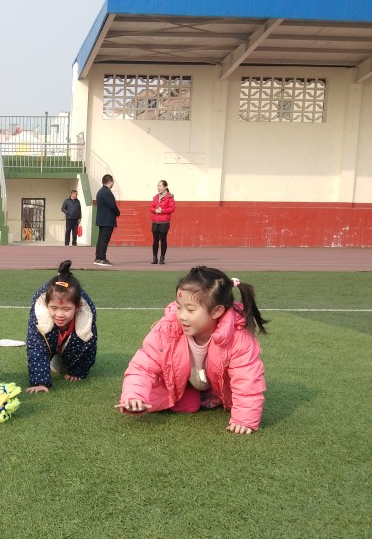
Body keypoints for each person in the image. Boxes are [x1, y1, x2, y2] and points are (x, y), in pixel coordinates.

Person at [117, 266, 268, 434]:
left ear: (217, 311)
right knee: (171, 399)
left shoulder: (237, 337)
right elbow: (143, 366)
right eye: (179, 307)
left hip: (218, 387)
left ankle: (210, 395)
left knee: (228, 389)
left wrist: (244, 420)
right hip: (184, 384)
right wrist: (135, 395)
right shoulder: (168, 329)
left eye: (190, 310)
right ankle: (191, 395)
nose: (181, 316)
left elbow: (247, 378)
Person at [25, 260, 97, 393]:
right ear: (46, 305)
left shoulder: (86, 317)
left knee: (63, 366)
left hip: (69, 343)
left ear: (77, 307)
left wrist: (78, 371)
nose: (59, 315)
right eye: (53, 308)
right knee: (49, 359)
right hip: (52, 339)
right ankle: (54, 354)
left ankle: (63, 355)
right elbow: (36, 347)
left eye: (66, 309)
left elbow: (89, 347)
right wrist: (40, 382)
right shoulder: (39, 316)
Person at [94, 174, 120, 267]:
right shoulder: (107, 192)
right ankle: (101, 258)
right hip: (107, 220)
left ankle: (98, 258)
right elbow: (112, 205)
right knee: (104, 240)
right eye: (112, 182)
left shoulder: (100, 191)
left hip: (102, 219)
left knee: (101, 239)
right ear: (110, 182)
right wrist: (118, 212)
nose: (113, 184)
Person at [150, 179, 175, 265]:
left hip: (164, 222)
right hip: (155, 221)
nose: (158, 187)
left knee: (163, 240)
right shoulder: (156, 197)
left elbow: (172, 208)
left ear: (165, 187)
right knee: (155, 240)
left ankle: (162, 257)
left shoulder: (170, 197)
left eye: (160, 185)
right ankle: (154, 258)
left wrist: (162, 210)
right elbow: (151, 207)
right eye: (158, 185)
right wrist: (155, 210)